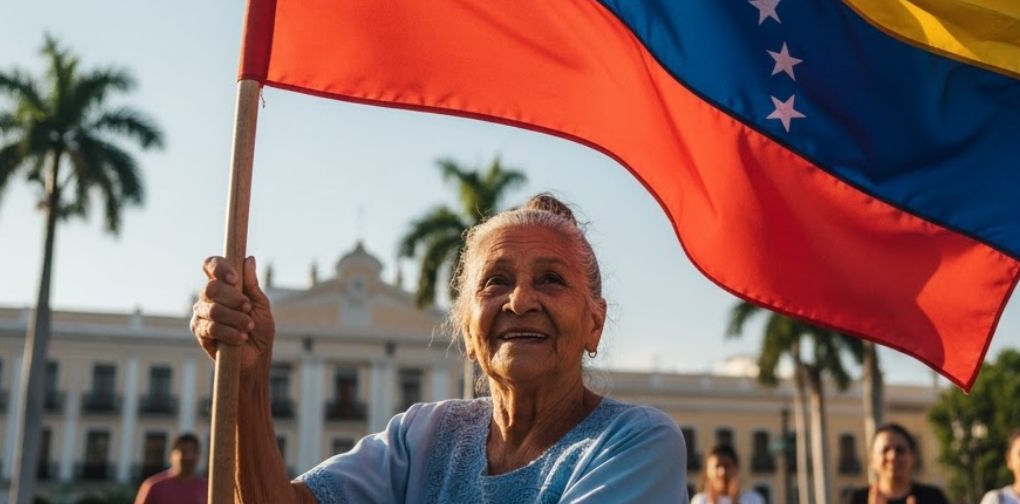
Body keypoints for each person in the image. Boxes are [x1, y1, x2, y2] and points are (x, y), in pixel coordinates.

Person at [190, 193, 687, 503]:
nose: (520, 300)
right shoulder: (424, 436)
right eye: (496, 281)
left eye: (551, 280)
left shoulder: (635, 443)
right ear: (468, 331)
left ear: (594, 324)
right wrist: (247, 377)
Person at [847, 423, 948, 504]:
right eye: (885, 450)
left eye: (900, 450)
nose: (892, 456)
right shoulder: (858, 499)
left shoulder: (932, 497)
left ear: (913, 457)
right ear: (872, 459)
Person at [133, 433, 208, 504]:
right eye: (184, 451)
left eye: (194, 452)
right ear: (172, 455)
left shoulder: (207, 487)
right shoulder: (154, 486)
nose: (189, 457)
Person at [689, 444, 763, 504]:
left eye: (727, 466)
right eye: (717, 466)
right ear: (708, 471)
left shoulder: (753, 499)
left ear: (736, 468)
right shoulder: (700, 500)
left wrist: (734, 501)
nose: (722, 472)